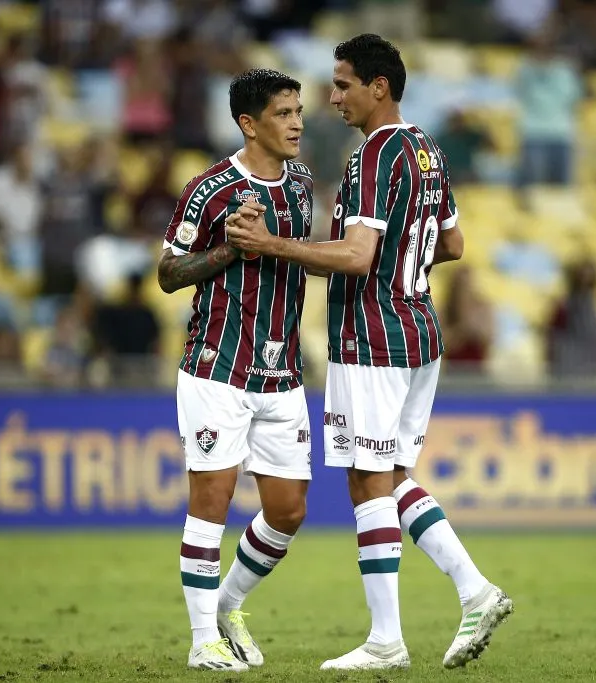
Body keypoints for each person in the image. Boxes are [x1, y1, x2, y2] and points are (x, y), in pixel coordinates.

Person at [226, 35, 513, 671]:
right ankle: (475, 592)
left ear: (378, 86)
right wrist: (405, 266)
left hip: (373, 337)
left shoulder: (371, 157)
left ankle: (388, 638)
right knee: (389, 476)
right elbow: (455, 242)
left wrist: (271, 245)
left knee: (367, 482)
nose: (332, 98)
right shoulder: (428, 150)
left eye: (343, 83)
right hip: (420, 333)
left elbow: (355, 257)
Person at [156, 68, 312, 672]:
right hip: (217, 367)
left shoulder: (299, 183)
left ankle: (227, 604)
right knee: (212, 501)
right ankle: (202, 642)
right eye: (283, 113)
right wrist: (229, 250)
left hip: (283, 373)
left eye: (298, 110)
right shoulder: (210, 188)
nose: (297, 122)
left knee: (289, 510)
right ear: (249, 124)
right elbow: (168, 273)